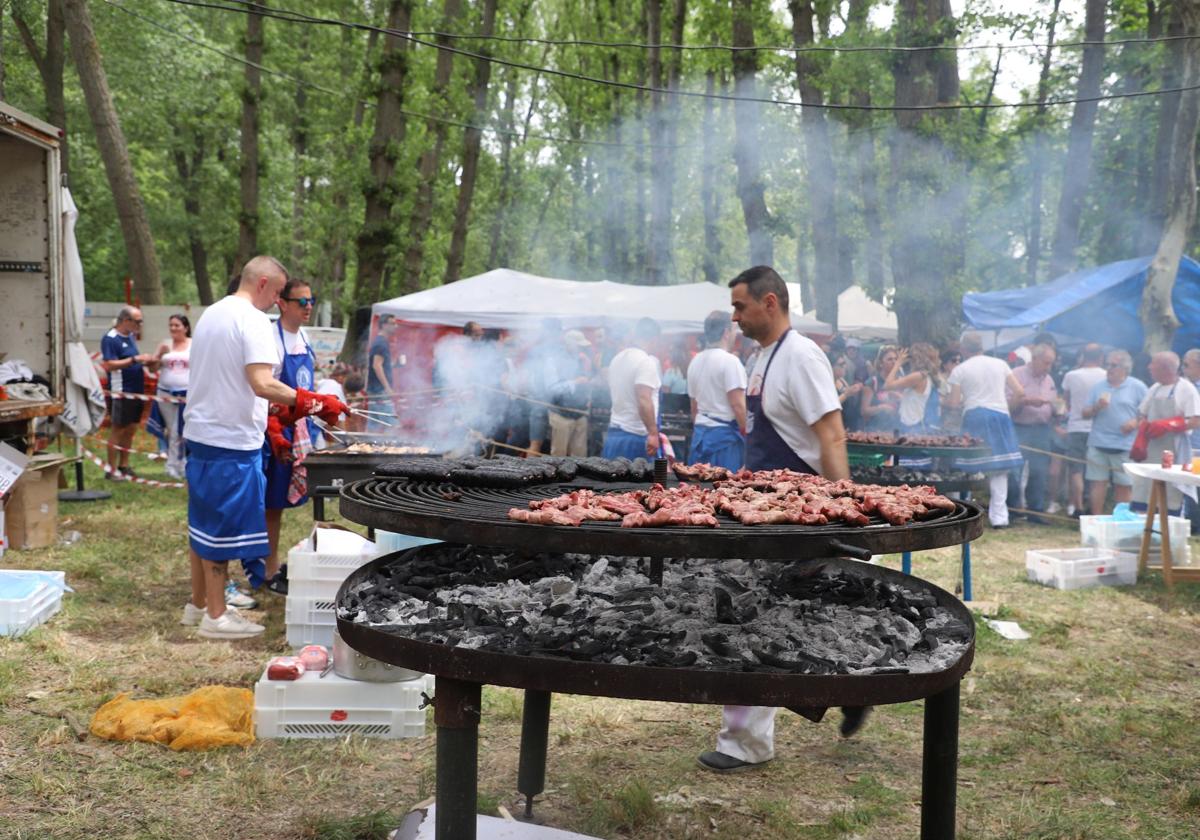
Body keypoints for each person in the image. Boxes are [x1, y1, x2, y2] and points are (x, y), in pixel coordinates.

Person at [697, 266, 855, 775]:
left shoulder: (803, 355)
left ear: (770, 302)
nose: (734, 317)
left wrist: (843, 511)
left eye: (740, 307)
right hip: (763, 507)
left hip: (799, 511)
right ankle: (850, 686)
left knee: (752, 614)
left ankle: (745, 742)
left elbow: (831, 435)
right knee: (786, 613)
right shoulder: (761, 356)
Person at [180, 256, 347, 640]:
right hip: (230, 438)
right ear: (263, 283)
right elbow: (262, 383)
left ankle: (199, 604)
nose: (277, 301)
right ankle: (217, 617)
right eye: (276, 293)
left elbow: (231, 381)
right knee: (220, 528)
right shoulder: (253, 320)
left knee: (202, 523)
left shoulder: (213, 313)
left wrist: (278, 416)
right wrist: (314, 402)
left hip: (203, 432)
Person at [259, 278, 320, 597]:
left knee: (280, 504)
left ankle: (270, 565)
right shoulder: (271, 338)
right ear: (282, 303)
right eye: (302, 302)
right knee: (271, 505)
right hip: (277, 431)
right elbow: (267, 388)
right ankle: (267, 570)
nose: (308, 307)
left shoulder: (304, 336)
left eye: (311, 301)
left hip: (301, 429)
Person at [945, 334, 1025, 528]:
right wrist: (1005, 409)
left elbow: (954, 403)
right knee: (1000, 469)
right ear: (982, 347)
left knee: (967, 467)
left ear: (964, 349)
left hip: (973, 417)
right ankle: (1000, 518)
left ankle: (964, 514)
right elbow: (1020, 393)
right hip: (1000, 416)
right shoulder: (1000, 364)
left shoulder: (960, 370)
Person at [1129, 351, 1200, 516]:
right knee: (1144, 487)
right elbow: (1142, 414)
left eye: (1152, 364)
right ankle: (1143, 527)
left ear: (1165, 368)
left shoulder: (1185, 389)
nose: (1149, 367)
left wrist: (1170, 425)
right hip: (1151, 449)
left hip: (1172, 451)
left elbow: (1196, 420)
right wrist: (1142, 431)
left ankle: (1169, 528)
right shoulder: (1155, 388)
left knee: (1170, 491)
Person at [1082, 350, 1147, 514]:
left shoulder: (1137, 386)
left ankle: (1122, 520)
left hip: (1125, 445)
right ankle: (1095, 520)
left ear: (1125, 368)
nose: (1109, 368)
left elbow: (1148, 413)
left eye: (1113, 365)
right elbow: (1084, 413)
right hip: (1098, 443)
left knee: (1123, 485)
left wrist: (1135, 422)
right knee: (1097, 483)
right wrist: (1097, 406)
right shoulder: (1098, 387)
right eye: (1107, 365)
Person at [686, 310, 747, 471]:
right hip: (724, 442)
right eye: (734, 330)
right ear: (726, 333)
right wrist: (750, 440)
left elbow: (694, 408)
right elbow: (738, 406)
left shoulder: (695, 362)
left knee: (697, 492)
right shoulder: (730, 362)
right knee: (724, 492)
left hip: (700, 437)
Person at [101, 306, 154, 479]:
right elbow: (109, 364)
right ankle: (111, 469)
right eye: (138, 321)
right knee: (118, 429)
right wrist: (133, 360)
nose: (140, 325)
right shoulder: (110, 338)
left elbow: (131, 360)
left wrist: (143, 362)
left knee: (131, 428)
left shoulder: (130, 337)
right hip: (121, 391)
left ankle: (124, 465)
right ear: (126, 320)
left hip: (136, 390)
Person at [1006, 344, 1059, 518]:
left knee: (1040, 470)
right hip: (1019, 427)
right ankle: (1012, 509)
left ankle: (1035, 510)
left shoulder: (1049, 379)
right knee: (1015, 470)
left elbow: (1053, 401)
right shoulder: (1016, 374)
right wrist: (1027, 401)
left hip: (1042, 429)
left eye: (1051, 363)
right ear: (1035, 359)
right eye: (1046, 363)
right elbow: (1007, 403)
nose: (1048, 367)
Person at [602, 318, 663, 460]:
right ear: (654, 339)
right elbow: (644, 399)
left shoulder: (617, 359)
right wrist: (653, 433)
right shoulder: (645, 362)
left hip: (614, 436)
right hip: (635, 439)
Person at [1059, 344, 1107, 516]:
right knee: (1096, 470)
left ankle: (1077, 506)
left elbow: (1066, 402)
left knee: (1076, 469)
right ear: (1101, 357)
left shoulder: (1071, 376)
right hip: (1098, 429)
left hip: (1076, 427)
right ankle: (1093, 506)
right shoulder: (1105, 376)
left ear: (1082, 356)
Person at [147, 314, 191, 480]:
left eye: (177, 325)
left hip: (187, 394)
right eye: (171, 325)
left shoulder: (193, 344)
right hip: (165, 393)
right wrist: (157, 356)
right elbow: (152, 368)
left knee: (184, 430)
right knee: (172, 430)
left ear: (185, 327)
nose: (173, 328)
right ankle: (172, 465)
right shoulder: (165, 345)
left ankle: (184, 463)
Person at [547, 330, 594, 456]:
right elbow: (552, 388)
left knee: (580, 456)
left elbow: (587, 381)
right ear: (569, 344)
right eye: (578, 345)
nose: (581, 348)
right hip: (560, 414)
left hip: (580, 413)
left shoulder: (582, 359)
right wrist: (574, 382)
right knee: (559, 455)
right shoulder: (554, 360)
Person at [883, 343, 941, 433]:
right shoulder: (926, 375)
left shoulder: (918, 376)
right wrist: (902, 398)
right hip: (917, 426)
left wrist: (898, 363)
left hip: (914, 427)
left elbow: (887, 385)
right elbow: (918, 399)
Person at [366, 314, 400, 431]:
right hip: (380, 391)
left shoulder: (381, 342)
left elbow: (380, 364)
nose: (396, 326)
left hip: (375, 390)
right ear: (384, 325)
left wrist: (394, 365)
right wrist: (387, 388)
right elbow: (377, 365)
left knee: (374, 424)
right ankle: (394, 449)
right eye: (393, 323)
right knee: (393, 425)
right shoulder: (380, 343)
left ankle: (367, 447)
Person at [860, 345, 901, 433]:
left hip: (896, 430)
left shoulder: (901, 381)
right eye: (889, 359)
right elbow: (864, 411)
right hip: (875, 431)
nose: (894, 362)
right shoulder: (872, 382)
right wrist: (881, 408)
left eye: (895, 359)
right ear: (881, 363)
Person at [938, 347, 963, 433]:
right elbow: (939, 401)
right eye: (954, 361)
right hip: (946, 424)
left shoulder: (962, 379)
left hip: (960, 423)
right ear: (945, 365)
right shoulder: (940, 380)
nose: (958, 363)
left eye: (960, 360)